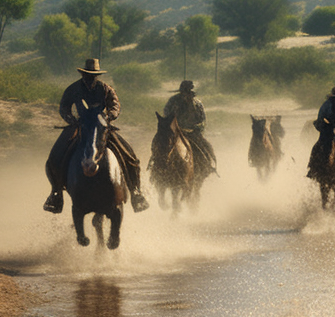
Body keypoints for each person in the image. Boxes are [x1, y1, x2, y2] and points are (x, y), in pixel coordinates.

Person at [43, 58, 149, 214]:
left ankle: (135, 191)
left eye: (93, 75)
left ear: (97, 76)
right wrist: (71, 120)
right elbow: (64, 106)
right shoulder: (74, 89)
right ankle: (56, 193)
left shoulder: (105, 89)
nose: (90, 78)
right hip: (80, 126)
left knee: (130, 156)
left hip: (101, 127)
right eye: (87, 75)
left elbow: (115, 105)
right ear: (83, 74)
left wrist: (108, 117)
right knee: (55, 157)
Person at [162, 79, 217, 175]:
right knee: (161, 144)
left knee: (205, 146)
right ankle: (156, 165)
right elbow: (166, 114)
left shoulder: (197, 104)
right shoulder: (173, 101)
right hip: (175, 131)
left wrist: (197, 128)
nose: (186, 93)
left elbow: (202, 120)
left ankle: (209, 164)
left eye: (188, 90)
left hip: (192, 132)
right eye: (184, 91)